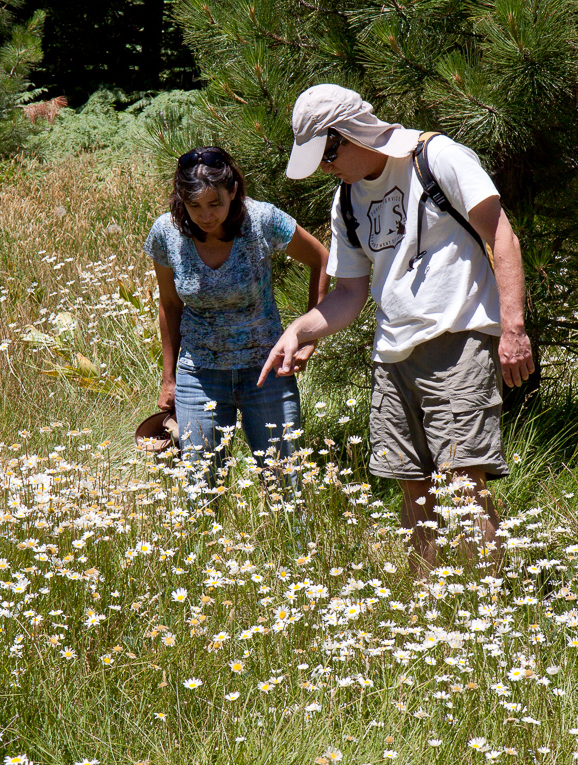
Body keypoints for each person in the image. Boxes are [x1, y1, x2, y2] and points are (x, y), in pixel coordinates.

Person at [259, 84, 535, 575]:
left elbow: (501, 234)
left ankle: (489, 604)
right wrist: (302, 331)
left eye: (325, 156)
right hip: (391, 354)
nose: (325, 169)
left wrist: (512, 328)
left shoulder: (437, 157)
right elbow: (349, 293)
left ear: (346, 135)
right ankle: (428, 605)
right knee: (410, 482)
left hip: (459, 337)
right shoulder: (345, 200)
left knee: (463, 481)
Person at [143, 145, 329, 482]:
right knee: (201, 488)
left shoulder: (262, 221)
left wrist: (308, 336)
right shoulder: (166, 233)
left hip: (267, 370)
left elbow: (321, 258)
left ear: (233, 192)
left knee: (284, 483)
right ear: (180, 200)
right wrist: (168, 379)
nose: (206, 215)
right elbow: (170, 305)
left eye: (215, 204)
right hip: (198, 374)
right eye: (194, 205)